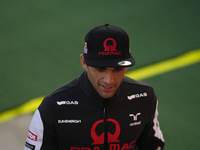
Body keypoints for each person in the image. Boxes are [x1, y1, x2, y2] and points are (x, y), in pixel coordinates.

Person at [24, 24, 165, 150]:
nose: (109, 80)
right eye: (100, 69)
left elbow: (153, 145)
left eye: (117, 69)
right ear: (83, 62)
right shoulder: (52, 107)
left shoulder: (144, 97)